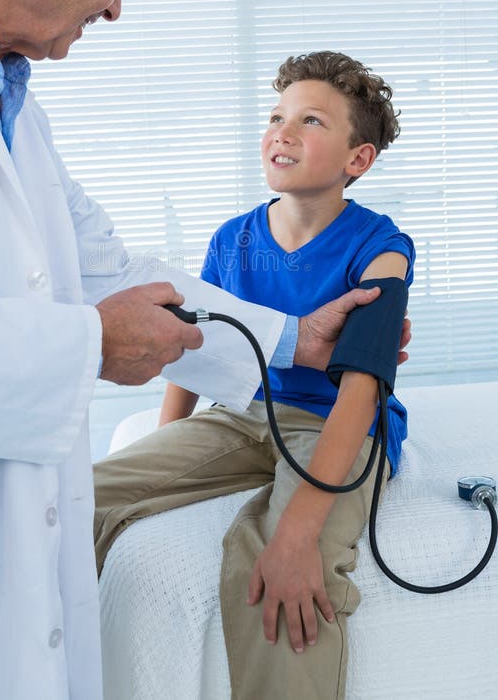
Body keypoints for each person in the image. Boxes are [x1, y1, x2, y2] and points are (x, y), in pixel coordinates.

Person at [0, 0, 408, 700]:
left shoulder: (8, 101)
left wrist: (296, 339)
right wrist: (93, 347)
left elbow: (114, 271)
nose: (116, 3)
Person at [93, 50, 415, 700]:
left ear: (358, 159)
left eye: (311, 120)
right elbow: (196, 346)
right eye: (276, 116)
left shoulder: (382, 250)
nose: (283, 131)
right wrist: (166, 444)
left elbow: (362, 388)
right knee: (80, 500)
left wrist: (296, 534)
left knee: (277, 568)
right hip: (240, 415)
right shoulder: (232, 239)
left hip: (333, 425)